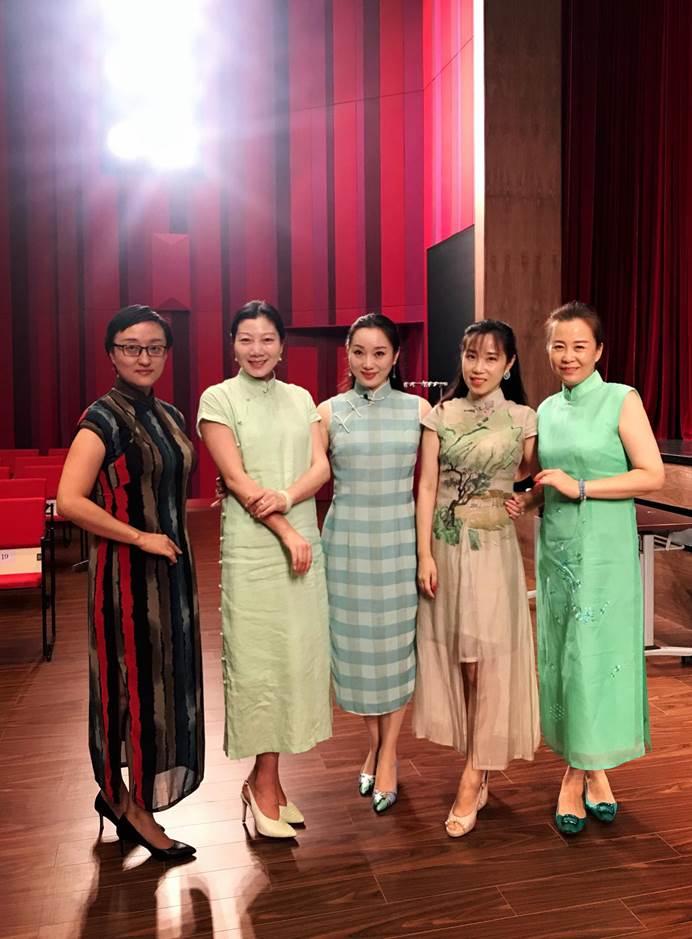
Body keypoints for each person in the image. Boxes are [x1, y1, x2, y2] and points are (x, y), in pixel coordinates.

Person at [508, 301, 664, 835]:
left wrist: (581, 487)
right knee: (566, 658)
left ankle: (574, 776)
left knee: (596, 658)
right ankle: (594, 770)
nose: (568, 356)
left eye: (579, 346)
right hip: (557, 553)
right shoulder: (548, 409)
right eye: (559, 346)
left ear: (599, 350)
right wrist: (527, 500)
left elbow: (651, 475)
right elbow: (549, 480)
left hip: (605, 554)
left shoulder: (622, 399)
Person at [57, 304, 203, 861]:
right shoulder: (103, 418)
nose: (144, 357)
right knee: (135, 690)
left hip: (172, 573)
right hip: (125, 578)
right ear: (111, 353)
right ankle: (136, 810)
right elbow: (70, 501)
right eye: (130, 347)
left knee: (166, 683)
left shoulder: (169, 414)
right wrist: (139, 537)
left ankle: (118, 796)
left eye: (155, 347)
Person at [197, 300, 331, 839]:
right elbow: (236, 480)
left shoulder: (301, 398)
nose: (257, 349)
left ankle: (266, 782)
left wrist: (289, 499)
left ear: (282, 346)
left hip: (302, 545)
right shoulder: (218, 399)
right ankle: (264, 785)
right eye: (246, 339)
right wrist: (286, 528)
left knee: (295, 660)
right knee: (260, 665)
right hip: (255, 551)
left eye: (267, 339)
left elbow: (321, 466)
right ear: (232, 344)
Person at [414, 320, 540, 837]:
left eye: (491, 358)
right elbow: (426, 487)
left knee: (488, 659)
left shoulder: (525, 419)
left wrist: (525, 499)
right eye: (471, 355)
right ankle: (481, 758)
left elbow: (538, 478)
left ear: (509, 365)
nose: (479, 367)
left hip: (493, 551)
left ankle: (473, 774)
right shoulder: (440, 414)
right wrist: (424, 554)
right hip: (446, 548)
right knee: (464, 663)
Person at [318, 313, 431, 813]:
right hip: (345, 544)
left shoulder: (419, 410)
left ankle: (388, 754)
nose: (369, 362)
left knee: (396, 650)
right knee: (357, 653)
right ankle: (377, 746)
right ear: (347, 353)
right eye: (359, 352)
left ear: (396, 356)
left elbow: (430, 485)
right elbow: (302, 472)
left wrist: (426, 553)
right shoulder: (326, 412)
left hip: (399, 542)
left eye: (379, 353)